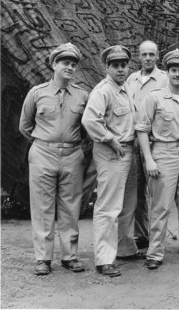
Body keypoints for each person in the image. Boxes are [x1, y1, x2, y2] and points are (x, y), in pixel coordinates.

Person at [19, 43, 88, 276]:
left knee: (70, 206)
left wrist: (70, 145)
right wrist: (44, 144)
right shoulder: (37, 93)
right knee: (42, 207)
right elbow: (25, 126)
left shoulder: (82, 95)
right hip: (42, 154)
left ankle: (70, 256)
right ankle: (43, 258)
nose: (69, 67)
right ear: (54, 64)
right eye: (65, 62)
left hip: (72, 154)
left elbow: (87, 128)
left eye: (73, 64)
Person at [136, 49, 179, 270]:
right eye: (173, 70)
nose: (177, 74)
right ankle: (155, 253)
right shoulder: (154, 97)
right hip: (162, 153)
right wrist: (149, 159)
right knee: (160, 206)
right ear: (168, 72)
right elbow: (143, 129)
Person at [82, 45, 138, 277]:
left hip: (128, 151)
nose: (120, 69)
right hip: (112, 152)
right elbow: (90, 120)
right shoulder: (103, 90)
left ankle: (124, 248)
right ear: (107, 67)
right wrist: (110, 139)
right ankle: (104, 259)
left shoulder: (125, 89)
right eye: (115, 65)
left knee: (126, 204)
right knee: (108, 207)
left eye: (124, 64)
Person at [126, 40, 168, 250]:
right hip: (132, 142)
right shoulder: (131, 79)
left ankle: (156, 238)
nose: (148, 58)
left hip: (154, 143)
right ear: (139, 56)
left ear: (158, 56)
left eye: (152, 54)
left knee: (157, 192)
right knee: (135, 191)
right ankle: (140, 235)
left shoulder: (165, 79)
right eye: (144, 54)